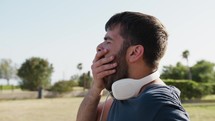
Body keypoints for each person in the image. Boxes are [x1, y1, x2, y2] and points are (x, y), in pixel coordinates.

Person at [76, 11, 190, 121]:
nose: (99, 47)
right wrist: (96, 88)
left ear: (134, 53)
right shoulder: (127, 97)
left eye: (108, 41)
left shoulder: (158, 103)